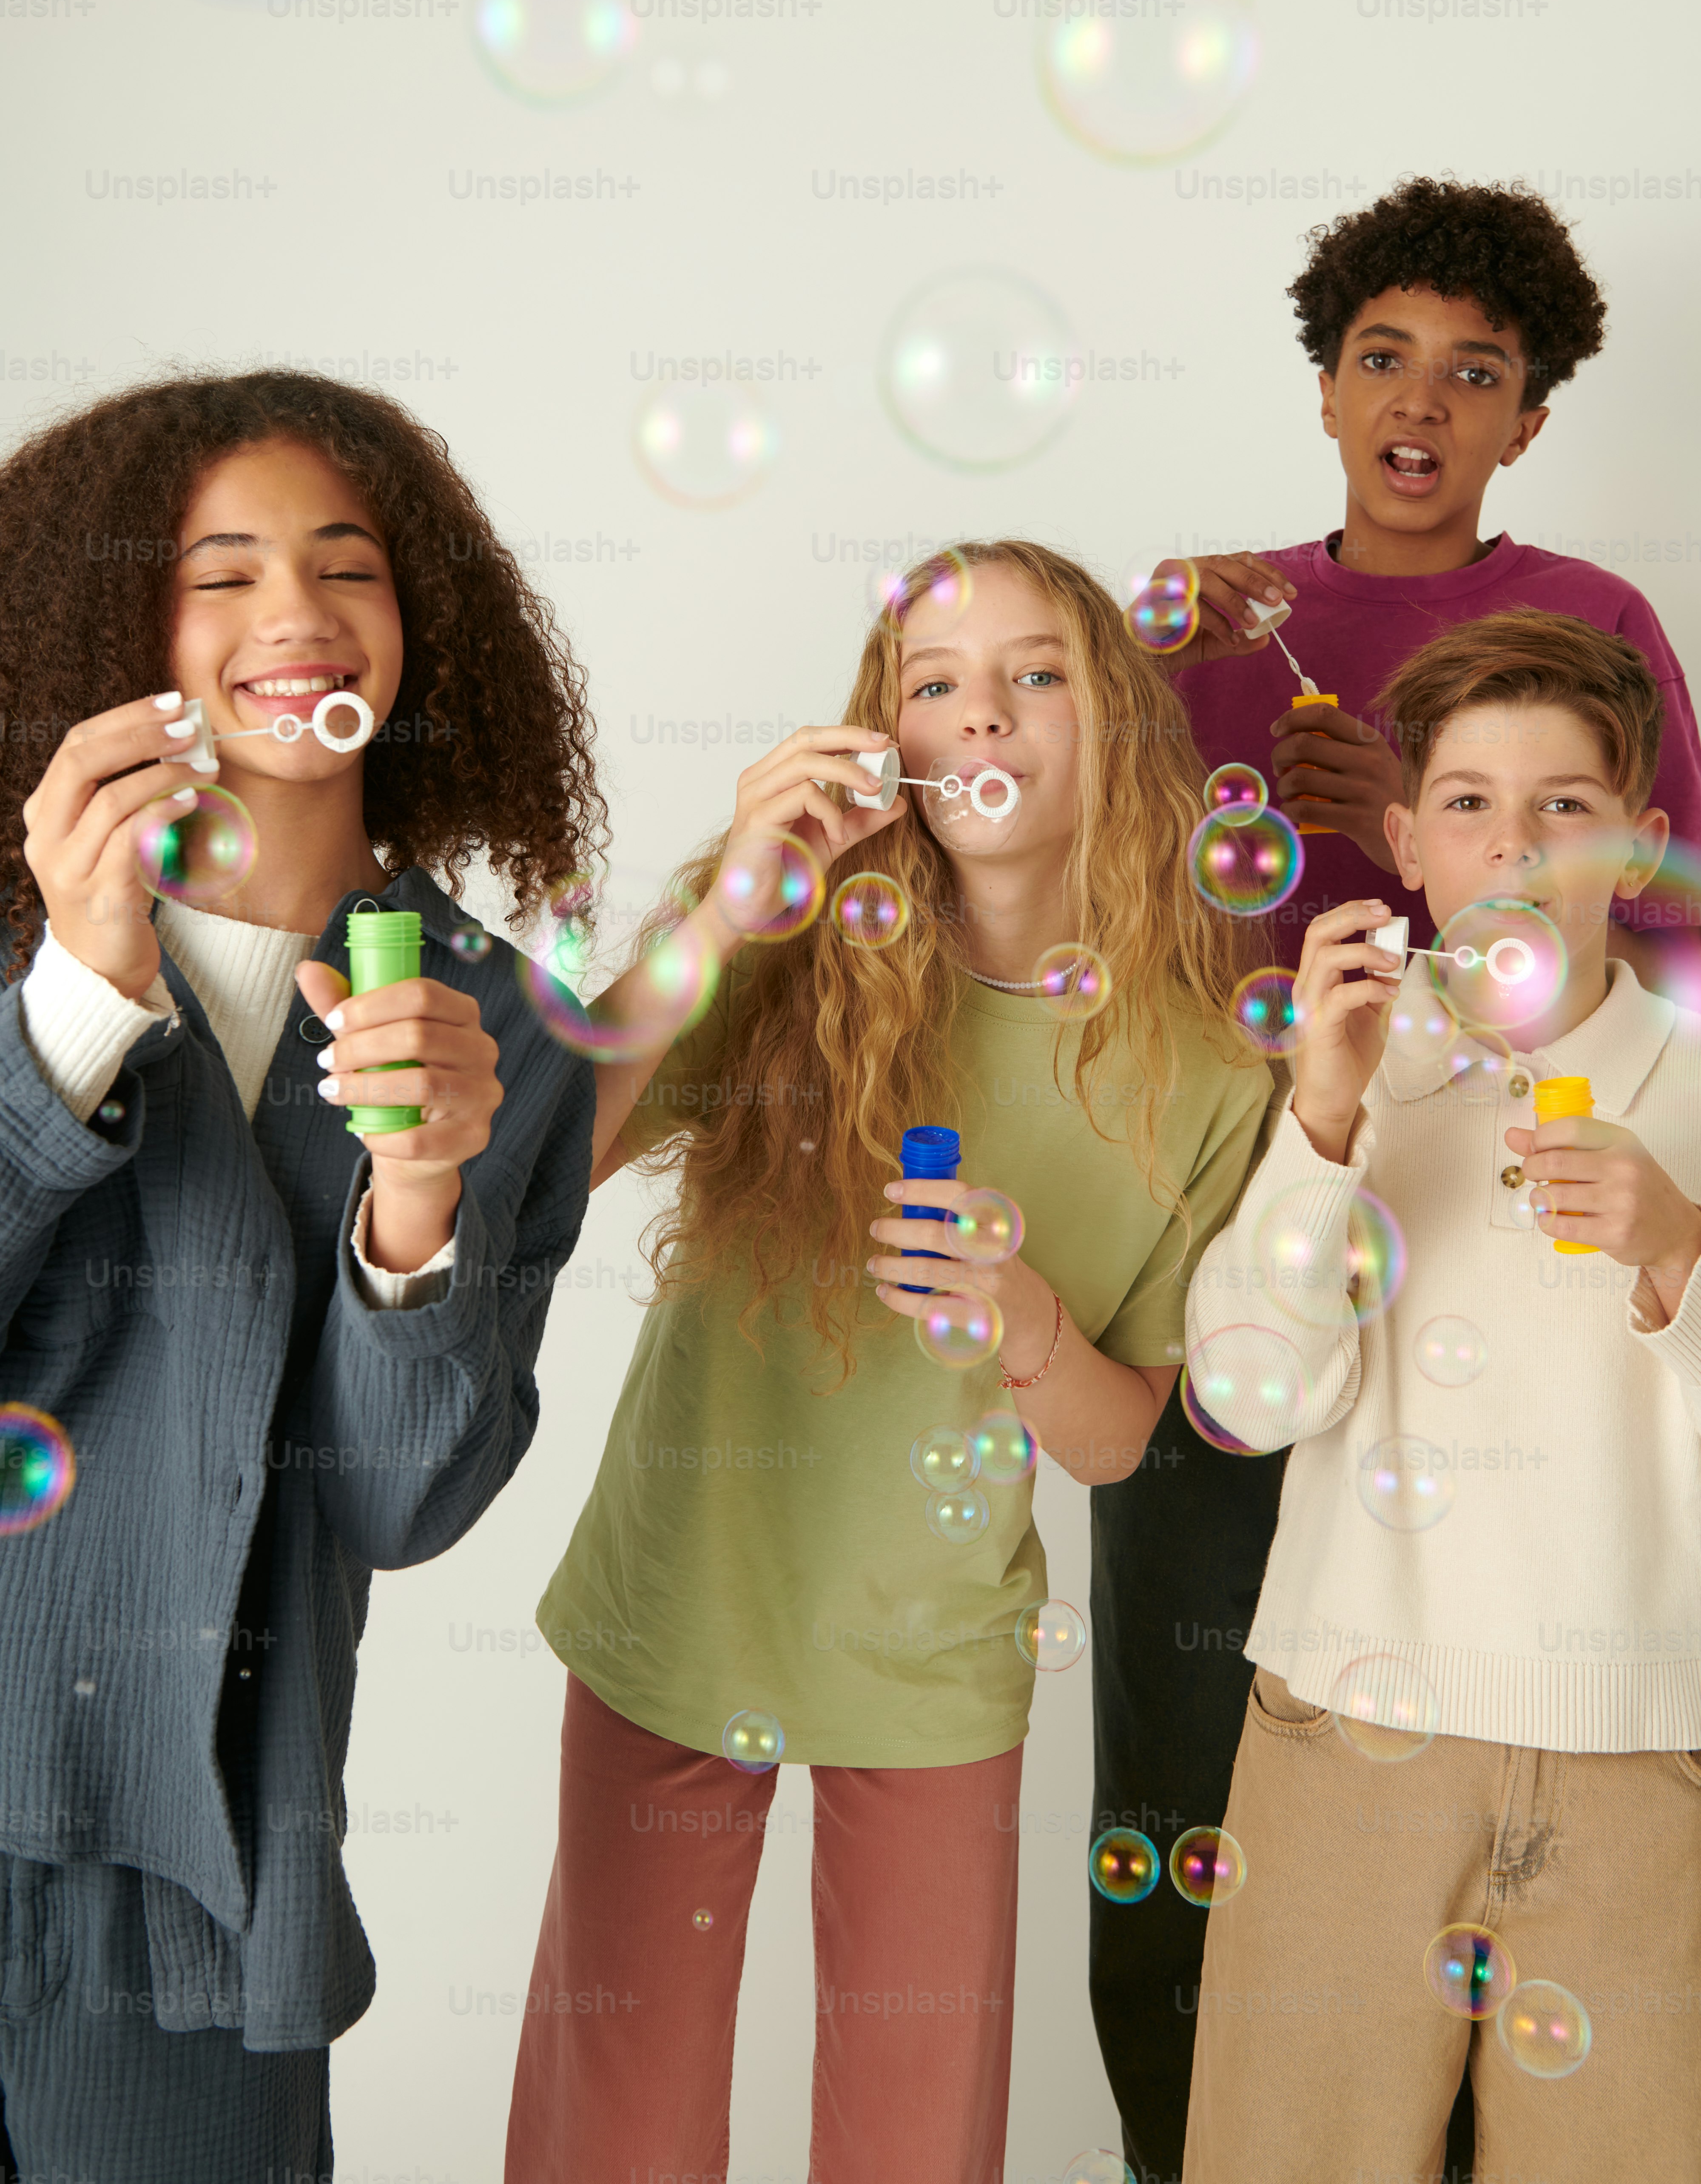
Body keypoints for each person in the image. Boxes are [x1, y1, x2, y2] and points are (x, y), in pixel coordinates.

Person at [503, 541, 1272, 2184]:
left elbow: (1124, 1443)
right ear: (886, 736)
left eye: (1035, 673)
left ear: (1120, 724)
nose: (980, 710)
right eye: (935, 682)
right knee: (614, 2122)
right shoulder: (788, 945)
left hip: (931, 1655)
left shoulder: (1202, 1068)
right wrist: (728, 903)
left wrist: (1031, 1327)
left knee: (918, 2141)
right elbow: (542, 1170)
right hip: (682, 1591)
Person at [1092, 177, 1701, 2182]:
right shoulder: (1204, 613)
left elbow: (1672, 945)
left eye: (1479, 372)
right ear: (1325, 382)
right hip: (1278, 1191)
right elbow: (1115, 900)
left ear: (1529, 418)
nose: (1423, 400)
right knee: (1210, 1847)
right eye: (1382, 357)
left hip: (1525, 1273)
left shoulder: (1595, 626)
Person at [0, 371, 603, 2184]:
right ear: (114, 624)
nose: (297, 613)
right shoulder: (20, 938)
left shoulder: (496, 1019)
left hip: (193, 1860)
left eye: (350, 565)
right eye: (223, 569)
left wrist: (420, 1196)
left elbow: (400, 1501)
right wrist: (78, 1008)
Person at [1180, 609, 1701, 2182]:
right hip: (1349, 1734)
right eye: (1469, 802)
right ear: (1406, 843)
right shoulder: (1354, 1064)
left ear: (1643, 843)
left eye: (1565, 806)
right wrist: (1323, 1130)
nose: (1516, 843)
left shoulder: (1691, 1079)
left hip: (1637, 1758)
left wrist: (1682, 1246)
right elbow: (1247, 1391)